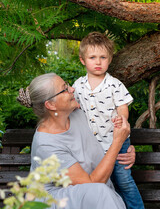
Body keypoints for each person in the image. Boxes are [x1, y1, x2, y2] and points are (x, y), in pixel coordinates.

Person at [17, 72, 135, 209]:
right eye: (65, 89)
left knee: (102, 194)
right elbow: (91, 184)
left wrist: (125, 150)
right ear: (51, 105)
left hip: (92, 195)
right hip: (53, 201)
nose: (72, 89)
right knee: (100, 193)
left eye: (67, 84)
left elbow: (106, 137)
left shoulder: (77, 114)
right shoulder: (46, 144)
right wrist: (117, 143)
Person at [73, 32, 144, 209]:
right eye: (93, 57)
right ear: (83, 60)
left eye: (103, 57)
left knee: (124, 181)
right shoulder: (78, 85)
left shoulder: (114, 84)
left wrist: (122, 119)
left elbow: (122, 106)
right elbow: (73, 109)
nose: (98, 62)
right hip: (92, 146)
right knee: (100, 184)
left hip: (116, 141)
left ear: (110, 59)